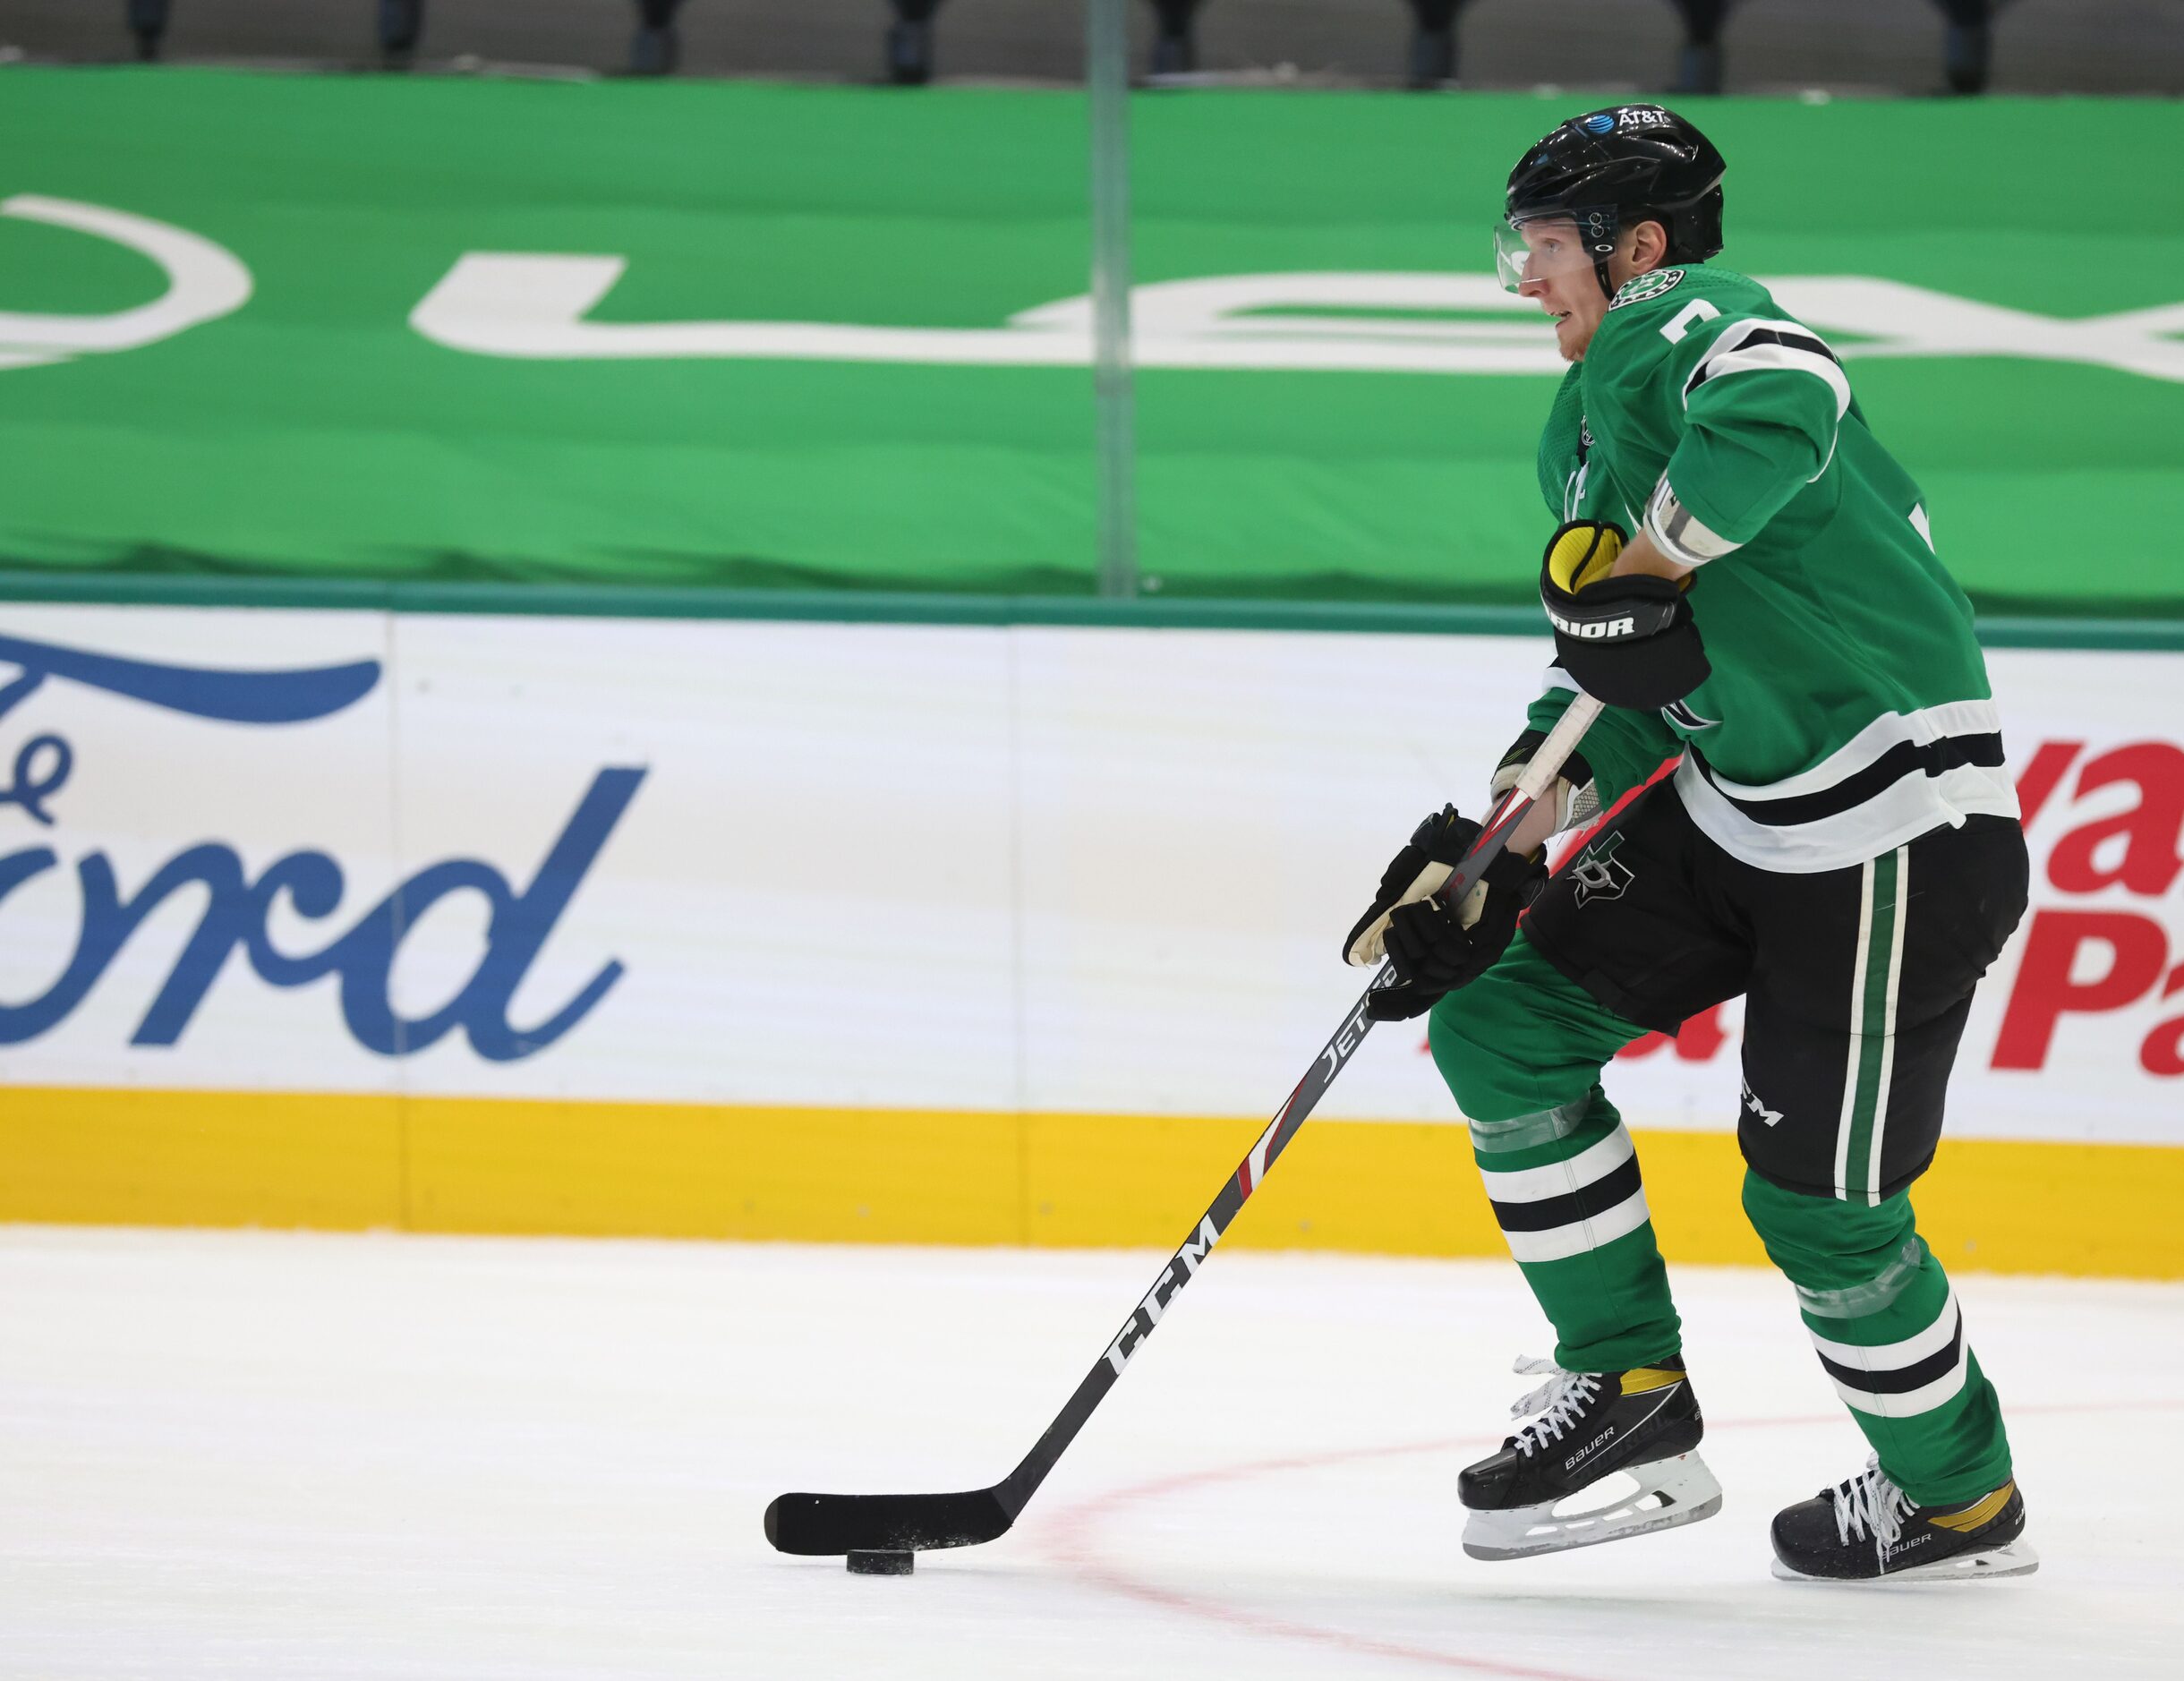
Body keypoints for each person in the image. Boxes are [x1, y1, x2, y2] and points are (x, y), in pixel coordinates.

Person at [1343, 105, 2035, 1583]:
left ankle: (1963, 1499)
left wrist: (1652, 566)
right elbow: (1626, 679)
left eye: (1542, 246)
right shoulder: (1587, 421)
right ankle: (1630, 1390)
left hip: (1894, 839)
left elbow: (1787, 395)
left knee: (1820, 1212)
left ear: (1634, 248)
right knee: (1502, 1025)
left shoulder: (1690, 319)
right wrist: (1498, 840)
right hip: (1742, 817)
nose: (1524, 278)